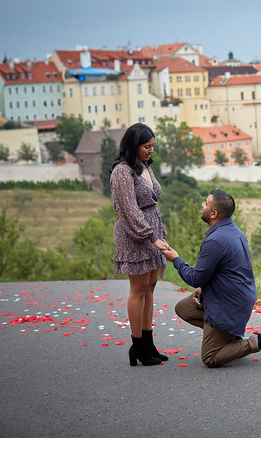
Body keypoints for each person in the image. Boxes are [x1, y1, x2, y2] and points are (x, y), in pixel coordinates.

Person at [159, 189, 261, 368]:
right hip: (235, 297)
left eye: (206, 203)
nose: (202, 205)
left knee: (210, 357)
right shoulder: (234, 231)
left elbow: (194, 278)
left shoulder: (215, 240)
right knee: (184, 308)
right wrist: (205, 285)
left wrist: (175, 259)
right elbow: (226, 271)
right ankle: (230, 338)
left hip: (229, 304)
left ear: (214, 213)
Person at [110, 123, 171, 367]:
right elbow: (129, 210)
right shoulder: (122, 172)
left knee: (150, 286)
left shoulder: (144, 166)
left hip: (152, 231)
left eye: (152, 146)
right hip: (135, 235)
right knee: (138, 288)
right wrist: (151, 236)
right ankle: (137, 345)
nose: (151, 150)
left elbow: (151, 202)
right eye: (147, 146)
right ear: (133, 145)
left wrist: (159, 234)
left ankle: (148, 342)